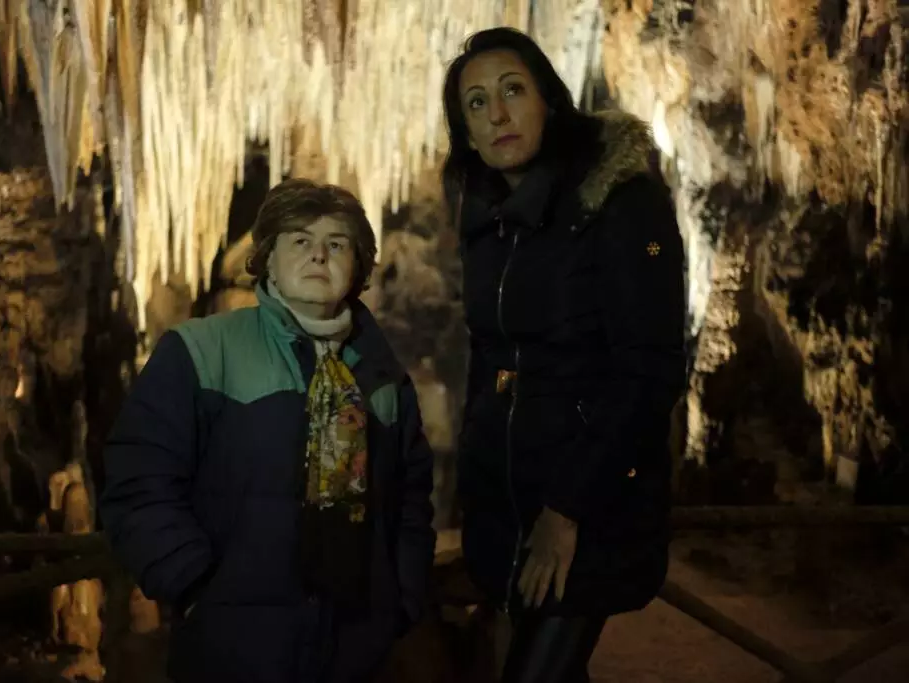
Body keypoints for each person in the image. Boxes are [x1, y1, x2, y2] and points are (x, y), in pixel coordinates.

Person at [99, 179, 437, 682]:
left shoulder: (382, 376)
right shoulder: (200, 352)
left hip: (355, 653)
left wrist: (400, 600)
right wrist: (194, 588)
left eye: (337, 244)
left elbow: (409, 500)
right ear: (268, 260)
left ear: (358, 266)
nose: (319, 255)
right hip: (232, 651)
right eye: (300, 240)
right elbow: (139, 481)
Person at [443, 27, 687, 682]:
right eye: (476, 103)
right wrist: (473, 480)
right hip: (506, 502)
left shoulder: (618, 205)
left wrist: (567, 510)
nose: (497, 114)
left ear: (549, 101)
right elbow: (490, 363)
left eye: (513, 90)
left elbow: (648, 367)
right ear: (466, 134)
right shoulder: (488, 224)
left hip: (586, 505)